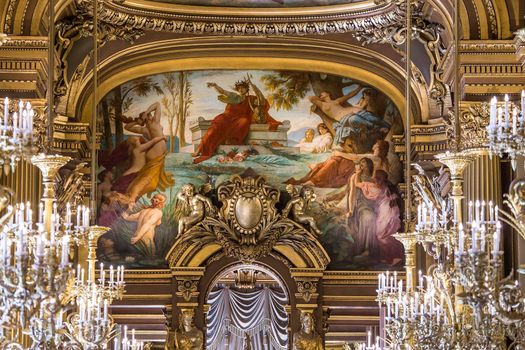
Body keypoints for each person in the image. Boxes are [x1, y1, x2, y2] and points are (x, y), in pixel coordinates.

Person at [192, 77, 281, 164]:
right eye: (239, 88)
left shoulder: (251, 99)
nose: (241, 89)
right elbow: (222, 91)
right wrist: (215, 85)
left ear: (247, 89)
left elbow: (262, 101)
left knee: (244, 121)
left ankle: (231, 140)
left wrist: (254, 87)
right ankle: (200, 149)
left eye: (243, 88)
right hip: (227, 117)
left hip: (240, 119)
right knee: (216, 126)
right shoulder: (234, 96)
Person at [124, 102, 175, 203]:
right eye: (149, 116)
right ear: (147, 118)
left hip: (156, 153)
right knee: (150, 179)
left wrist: (139, 119)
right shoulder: (154, 123)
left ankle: (135, 194)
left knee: (151, 178)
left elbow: (127, 127)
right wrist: (141, 118)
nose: (152, 116)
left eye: (150, 115)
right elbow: (157, 105)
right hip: (155, 152)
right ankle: (134, 194)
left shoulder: (144, 130)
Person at [354, 169, 403, 265]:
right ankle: (390, 257)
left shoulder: (387, 188)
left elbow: (395, 199)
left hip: (390, 213)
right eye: (376, 178)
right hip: (382, 213)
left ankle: (394, 257)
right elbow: (357, 183)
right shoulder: (370, 186)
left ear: (383, 179)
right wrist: (358, 173)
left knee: (386, 234)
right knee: (380, 235)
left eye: (379, 178)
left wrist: (394, 199)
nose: (377, 180)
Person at [121, 193, 166, 257]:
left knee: (138, 259)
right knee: (148, 259)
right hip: (145, 239)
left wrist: (128, 210)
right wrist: (138, 237)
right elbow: (147, 224)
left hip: (137, 237)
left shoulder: (144, 211)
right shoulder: (158, 212)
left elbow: (129, 217)